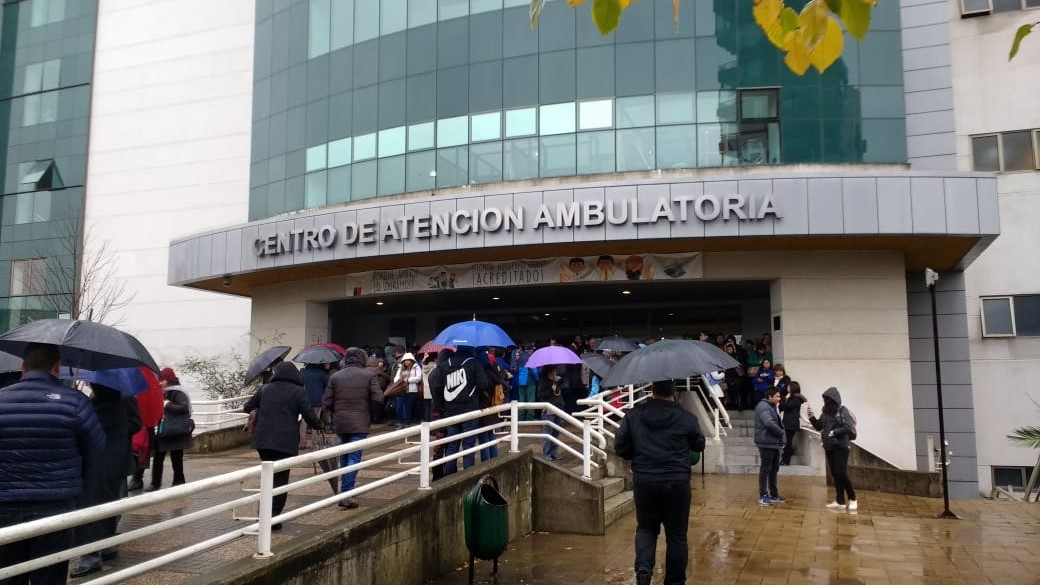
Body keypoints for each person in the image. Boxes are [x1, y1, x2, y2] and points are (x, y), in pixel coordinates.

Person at [0, 343, 105, 584]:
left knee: (7, 574)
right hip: (55, 506)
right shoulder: (74, 402)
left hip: (4, 505)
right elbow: (96, 447)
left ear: (22, 366)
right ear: (57, 367)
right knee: (49, 575)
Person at [614, 380, 705, 585]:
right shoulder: (686, 417)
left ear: (651, 391)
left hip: (645, 479)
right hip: (677, 481)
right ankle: (674, 581)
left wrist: (638, 455)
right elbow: (699, 444)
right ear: (673, 392)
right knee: (677, 534)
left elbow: (620, 446)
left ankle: (644, 569)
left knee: (646, 528)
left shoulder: (634, 415)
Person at [71, 384, 142, 577]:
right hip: (113, 460)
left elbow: (136, 423)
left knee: (92, 508)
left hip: (103, 461)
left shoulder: (119, 400)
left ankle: (92, 557)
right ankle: (106, 546)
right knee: (108, 506)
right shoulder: (95, 401)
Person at [243, 362, 324, 529]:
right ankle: (273, 517)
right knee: (281, 479)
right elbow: (309, 414)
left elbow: (247, 406)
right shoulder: (298, 391)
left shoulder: (266, 389)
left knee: (268, 477)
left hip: (263, 440)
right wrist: (319, 425)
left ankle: (263, 514)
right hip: (285, 440)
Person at [324, 347, 383, 509]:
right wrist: (368, 411)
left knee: (344, 455)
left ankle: (346, 489)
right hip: (360, 421)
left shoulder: (335, 376)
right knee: (354, 456)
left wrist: (338, 412)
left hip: (341, 422)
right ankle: (346, 492)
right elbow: (378, 398)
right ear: (361, 359)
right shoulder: (368, 375)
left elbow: (327, 401)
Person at [429, 345, 489, 476]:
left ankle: (450, 478)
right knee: (468, 447)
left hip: (450, 411)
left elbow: (437, 386)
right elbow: (483, 384)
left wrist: (444, 403)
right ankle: (467, 477)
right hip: (470, 410)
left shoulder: (445, 364)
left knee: (452, 447)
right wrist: (473, 394)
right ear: (471, 349)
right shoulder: (474, 363)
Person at [808, 387, 858, 511]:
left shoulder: (842, 410)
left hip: (841, 446)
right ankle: (840, 500)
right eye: (824, 399)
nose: (825, 401)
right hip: (829, 446)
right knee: (835, 474)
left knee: (841, 472)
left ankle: (853, 498)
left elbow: (847, 427)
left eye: (827, 399)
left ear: (833, 399)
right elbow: (819, 426)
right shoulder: (824, 412)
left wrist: (834, 432)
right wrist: (811, 417)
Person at [146, 367, 193, 491]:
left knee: (176, 456)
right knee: (158, 456)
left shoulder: (178, 392)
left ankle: (178, 481)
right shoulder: (163, 392)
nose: (160, 383)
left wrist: (167, 404)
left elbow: (183, 408)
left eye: (162, 380)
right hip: (164, 428)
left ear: (168, 380)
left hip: (175, 429)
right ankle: (155, 483)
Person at [128, 370, 164, 491]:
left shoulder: (144, 382)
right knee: (140, 454)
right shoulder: (151, 382)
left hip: (143, 427)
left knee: (140, 453)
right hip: (144, 426)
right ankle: (136, 478)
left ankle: (137, 479)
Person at [754, 387, 786, 506]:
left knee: (773, 469)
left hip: (773, 443)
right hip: (766, 442)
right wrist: (781, 433)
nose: (779, 399)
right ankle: (763, 495)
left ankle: (774, 494)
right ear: (770, 397)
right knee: (766, 469)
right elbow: (768, 423)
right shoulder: (763, 407)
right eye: (777, 396)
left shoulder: (772, 407)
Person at [536, 365, 567, 461]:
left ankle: (554, 452)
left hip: (558, 407)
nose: (555, 373)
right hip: (548, 410)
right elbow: (540, 395)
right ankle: (546, 453)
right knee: (548, 432)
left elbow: (559, 393)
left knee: (556, 432)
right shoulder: (543, 382)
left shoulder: (556, 382)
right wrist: (551, 389)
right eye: (553, 372)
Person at [299, 363, 330, 449]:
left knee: (304, 421)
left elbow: (300, 384)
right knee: (316, 420)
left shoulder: (303, 373)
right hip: (318, 400)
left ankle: (302, 443)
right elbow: (326, 387)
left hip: (304, 399)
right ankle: (314, 443)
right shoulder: (323, 374)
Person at [779, 381, 807, 466]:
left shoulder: (796, 399)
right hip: (789, 422)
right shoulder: (793, 398)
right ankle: (786, 457)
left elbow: (786, 406)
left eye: (788, 386)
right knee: (787, 441)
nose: (787, 387)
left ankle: (785, 460)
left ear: (792, 388)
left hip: (791, 422)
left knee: (787, 441)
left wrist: (785, 399)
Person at [393, 353, 422, 428]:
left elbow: (419, 378)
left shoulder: (416, 367)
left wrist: (408, 380)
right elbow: (396, 377)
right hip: (401, 389)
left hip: (411, 390)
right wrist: (399, 381)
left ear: (412, 360)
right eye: (406, 360)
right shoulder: (400, 368)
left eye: (409, 360)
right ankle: (400, 422)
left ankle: (407, 422)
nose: (407, 362)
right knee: (399, 406)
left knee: (408, 407)